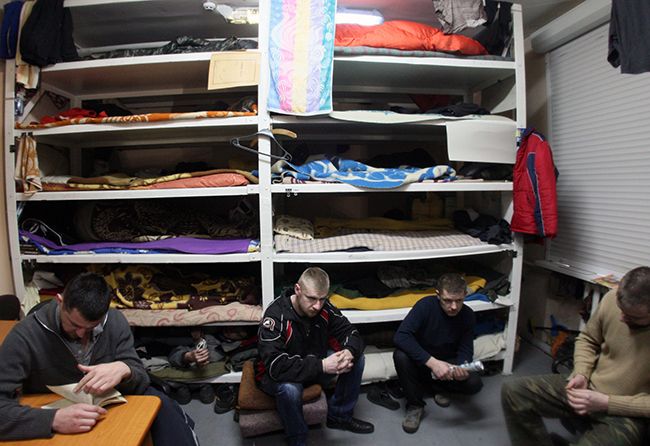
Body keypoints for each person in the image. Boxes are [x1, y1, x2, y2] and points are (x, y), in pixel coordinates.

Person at [0, 272, 198, 445]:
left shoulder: (114, 321)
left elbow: (140, 380)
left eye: (91, 328)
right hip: (56, 415)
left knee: (167, 416)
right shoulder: (24, 336)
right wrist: (53, 420)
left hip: (109, 410)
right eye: (74, 324)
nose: (81, 334)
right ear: (60, 301)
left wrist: (125, 370)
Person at [501, 266, 650, 446]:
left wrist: (607, 403)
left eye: (632, 317)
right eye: (621, 310)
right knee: (514, 392)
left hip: (627, 412)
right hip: (590, 388)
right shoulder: (612, 299)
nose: (622, 318)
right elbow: (588, 339)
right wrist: (581, 373)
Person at [255, 267, 374, 446]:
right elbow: (275, 366)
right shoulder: (275, 315)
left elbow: (351, 332)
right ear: (297, 289)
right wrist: (322, 366)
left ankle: (339, 416)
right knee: (289, 389)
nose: (317, 306)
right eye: (311, 298)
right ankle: (298, 439)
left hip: (314, 364)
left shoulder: (324, 307)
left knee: (356, 359)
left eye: (322, 299)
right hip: (283, 373)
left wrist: (349, 351)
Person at [393, 272, 482, 434]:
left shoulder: (468, 315)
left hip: (447, 361)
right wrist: (433, 363)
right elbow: (401, 336)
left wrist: (463, 366)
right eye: (447, 301)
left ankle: (438, 387)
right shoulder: (425, 306)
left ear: (464, 295)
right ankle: (415, 405)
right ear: (438, 295)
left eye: (459, 301)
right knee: (400, 356)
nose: (453, 307)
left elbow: (466, 347)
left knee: (474, 383)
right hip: (424, 359)